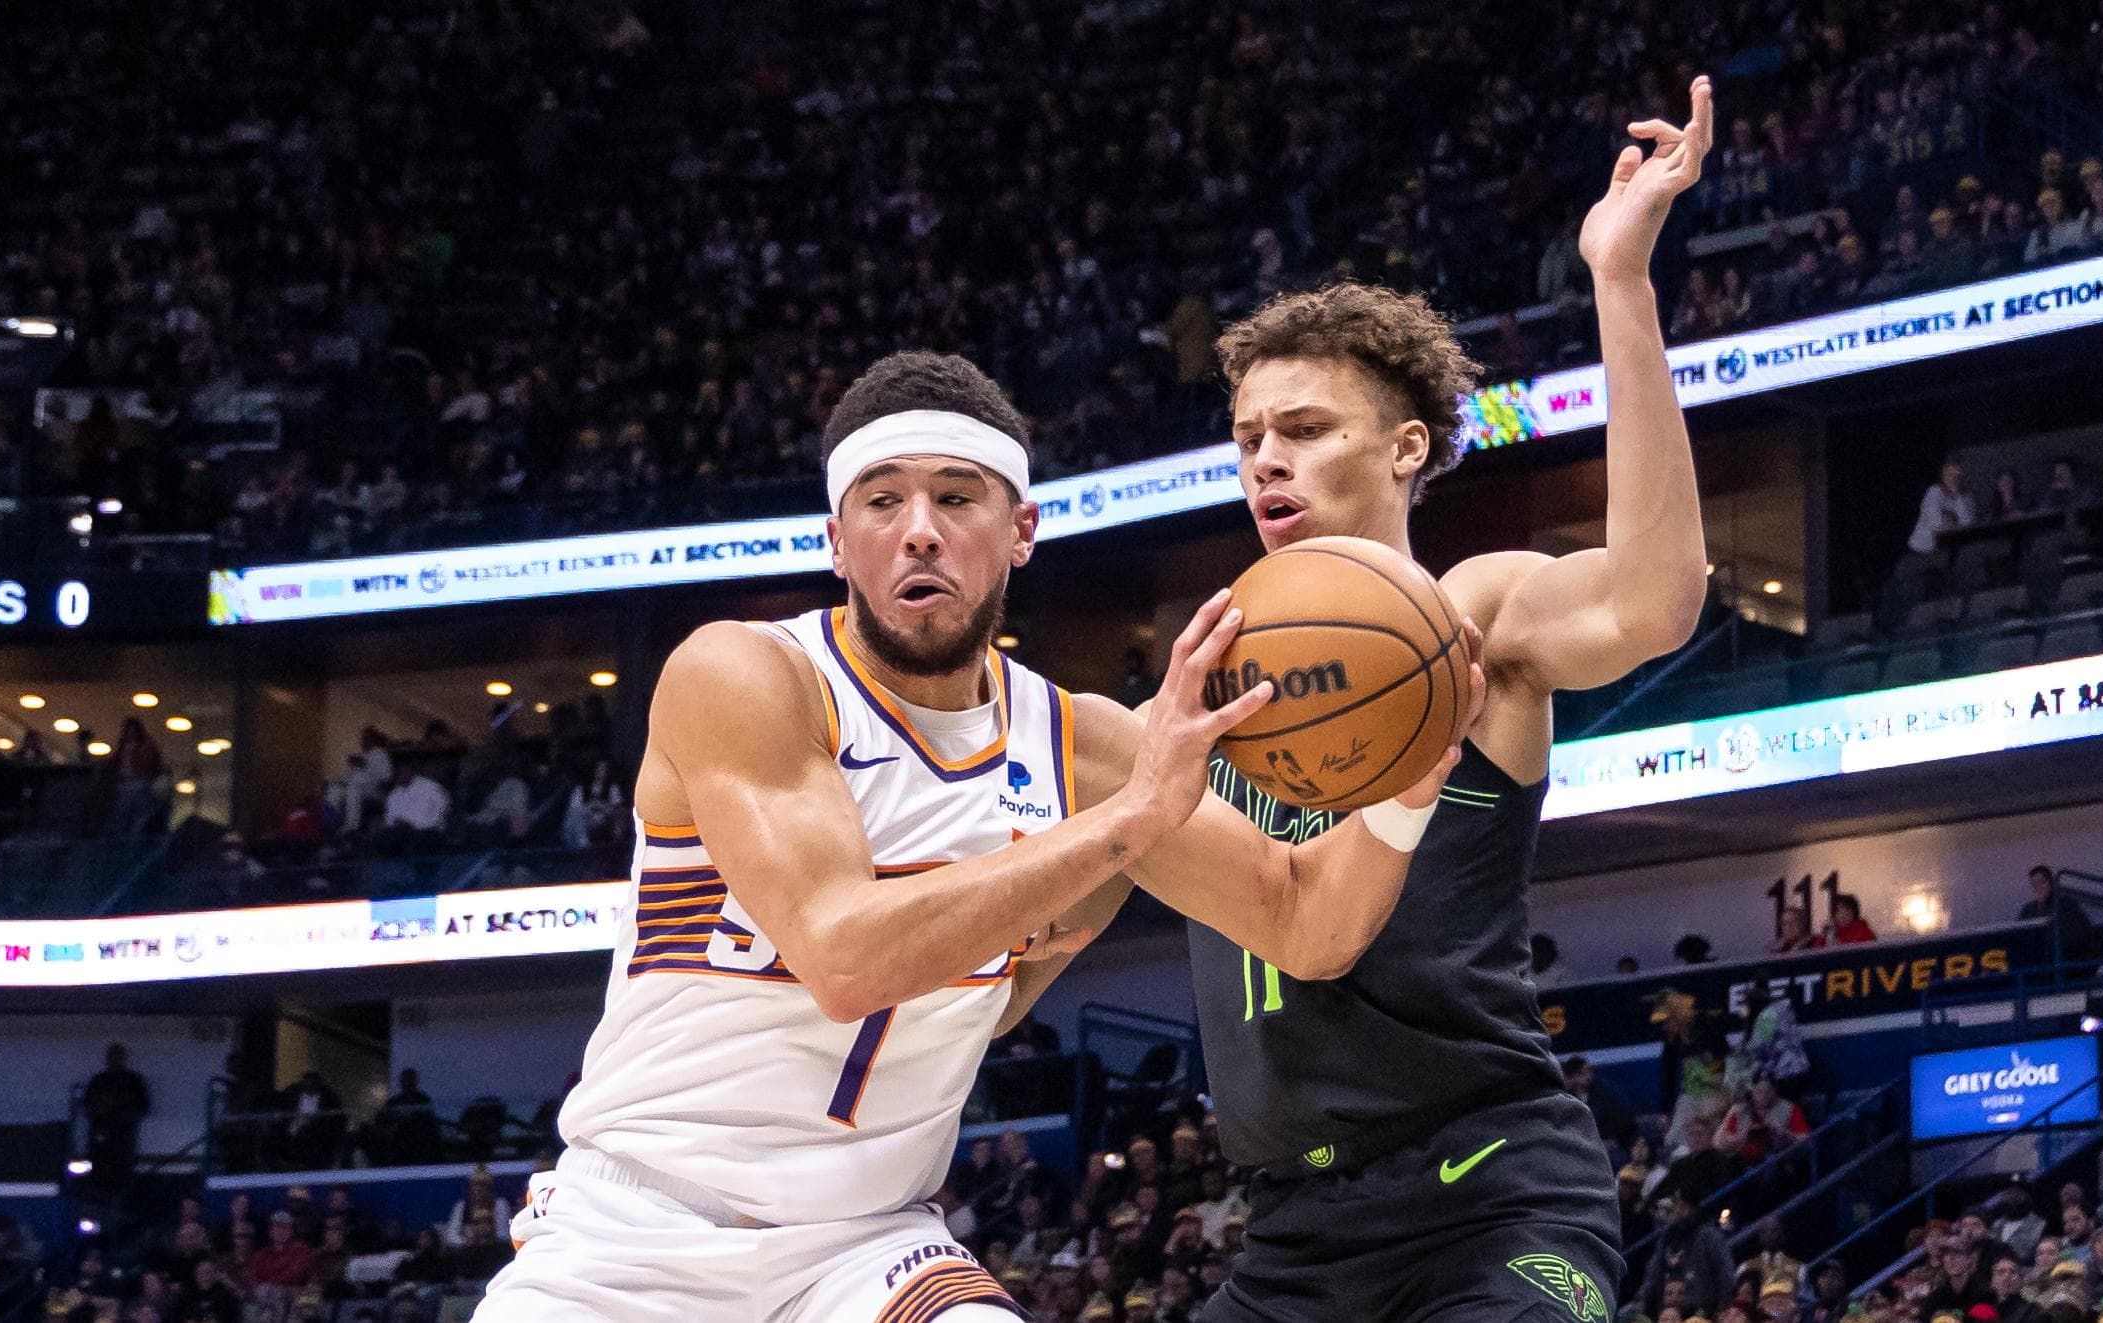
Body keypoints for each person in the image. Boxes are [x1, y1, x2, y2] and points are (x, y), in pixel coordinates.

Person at [474, 349, 1474, 1323]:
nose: (919, 532)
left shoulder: (1087, 749)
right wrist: (1123, 829)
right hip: (635, 1236)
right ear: (837, 540)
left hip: (863, 1250)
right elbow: (843, 956)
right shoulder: (743, 675)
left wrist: (1412, 779)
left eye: (957, 499)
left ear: (1022, 530)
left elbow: (1307, 924)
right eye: (882, 501)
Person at [1093, 76, 1716, 1323]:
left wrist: (1621, 285)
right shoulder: (1191, 698)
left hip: (1489, 1194)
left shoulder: (1471, 618)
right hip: (1287, 1242)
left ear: (1406, 446)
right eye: (1248, 433)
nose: (1265, 455)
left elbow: (1655, 599)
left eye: (1307, 426)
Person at [82, 1042, 152, 1188]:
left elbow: (143, 1106)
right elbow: (87, 1105)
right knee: (99, 1171)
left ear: (124, 1058)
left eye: (118, 1056)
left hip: (123, 1136)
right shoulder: (99, 1080)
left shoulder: (133, 1081)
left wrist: (123, 1114)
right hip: (101, 1136)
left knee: (122, 1172)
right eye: (111, 1056)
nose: (114, 1059)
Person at [1909, 461, 1976, 555]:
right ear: (1943, 477)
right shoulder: (1934, 492)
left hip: (1949, 548)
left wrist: (1957, 496)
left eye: (1956, 475)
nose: (1952, 479)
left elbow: (1968, 522)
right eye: (1949, 475)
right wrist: (1957, 526)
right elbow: (1936, 524)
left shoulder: (1965, 496)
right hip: (1923, 547)